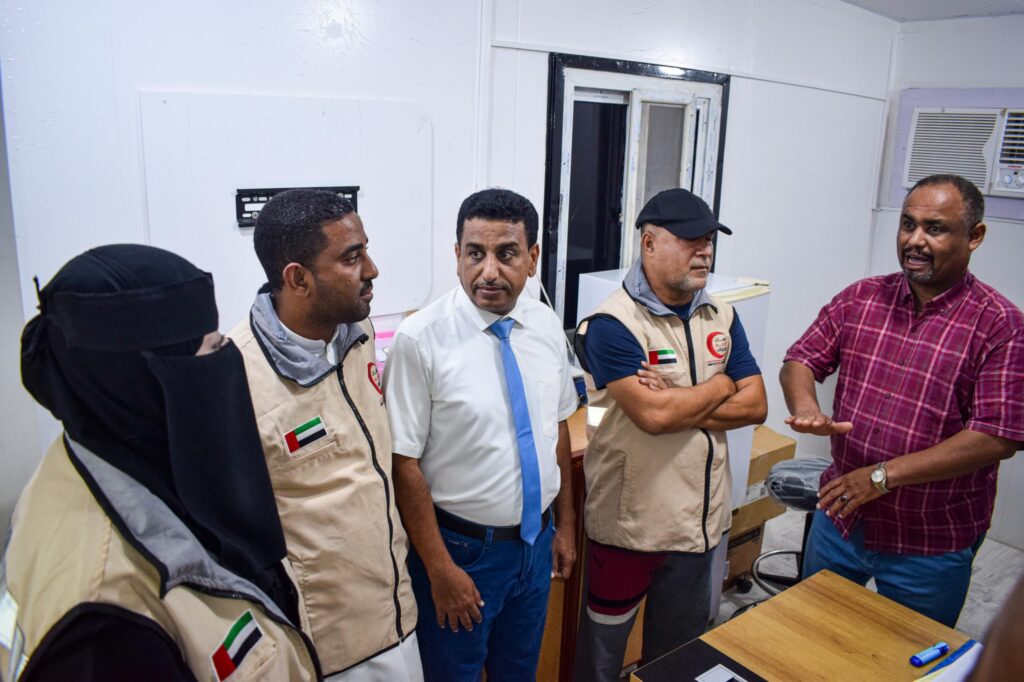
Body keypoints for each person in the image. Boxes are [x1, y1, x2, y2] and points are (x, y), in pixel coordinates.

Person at [2, 244, 320, 680]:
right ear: (140, 383)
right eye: (213, 349)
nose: (228, 363)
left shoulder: (127, 457)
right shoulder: (106, 625)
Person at [781, 173, 1023, 627]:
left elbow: (996, 437)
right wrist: (806, 406)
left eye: (935, 228)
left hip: (928, 542)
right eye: (908, 224)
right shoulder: (862, 297)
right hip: (842, 516)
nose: (915, 240)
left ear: (974, 236)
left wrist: (880, 477)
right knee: (811, 631)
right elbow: (800, 359)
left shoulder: (1000, 325)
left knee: (907, 654)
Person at [572, 188, 767, 682]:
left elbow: (757, 405)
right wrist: (722, 385)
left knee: (676, 660)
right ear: (649, 243)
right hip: (630, 526)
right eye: (690, 241)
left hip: (698, 527)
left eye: (709, 241)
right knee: (601, 659)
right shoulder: (611, 324)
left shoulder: (721, 315)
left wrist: (681, 398)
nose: (704, 252)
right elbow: (654, 417)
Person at [383, 188, 578, 681]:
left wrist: (565, 525)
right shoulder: (420, 341)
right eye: (475, 253)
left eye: (506, 254)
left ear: (532, 258)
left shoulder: (545, 325)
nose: (488, 271)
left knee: (519, 672)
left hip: (536, 544)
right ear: (457, 256)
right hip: (462, 553)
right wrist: (440, 569)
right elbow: (403, 465)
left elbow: (556, 428)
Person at [229, 190, 420, 680]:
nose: (372, 269)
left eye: (366, 250)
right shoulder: (236, 375)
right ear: (299, 279)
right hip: (329, 647)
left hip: (398, 613)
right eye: (352, 257)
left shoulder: (357, 334)